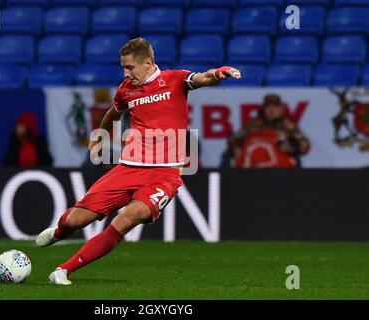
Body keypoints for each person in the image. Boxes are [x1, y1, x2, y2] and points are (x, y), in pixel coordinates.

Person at [35, 37, 241, 285]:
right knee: (75, 221)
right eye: (123, 67)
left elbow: (203, 78)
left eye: (130, 67)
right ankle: (59, 232)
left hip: (165, 175)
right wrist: (101, 135)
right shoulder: (126, 89)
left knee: (125, 220)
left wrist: (219, 73)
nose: (125, 73)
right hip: (129, 167)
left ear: (148, 63)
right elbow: (114, 111)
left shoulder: (175, 80)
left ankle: (63, 271)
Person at [228, 94, 310, 168]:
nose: (271, 110)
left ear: (281, 109)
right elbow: (235, 138)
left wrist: (292, 147)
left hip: (280, 164)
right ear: (264, 109)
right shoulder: (253, 124)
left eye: (275, 107)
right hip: (255, 163)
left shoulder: (288, 125)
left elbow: (304, 145)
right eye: (268, 107)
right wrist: (236, 147)